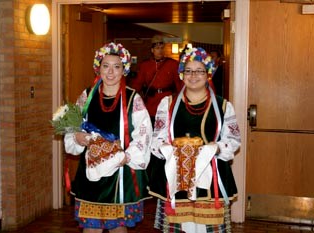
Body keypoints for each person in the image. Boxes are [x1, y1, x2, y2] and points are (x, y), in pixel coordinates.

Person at [149, 47, 241, 233]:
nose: (193, 75)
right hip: (177, 177)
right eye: (188, 70)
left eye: (199, 71)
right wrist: (169, 150)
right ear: (182, 74)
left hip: (212, 177)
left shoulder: (224, 106)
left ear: (208, 74)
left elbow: (233, 140)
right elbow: (156, 139)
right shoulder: (167, 104)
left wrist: (215, 148)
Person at [64, 42, 153, 233]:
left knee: (117, 229)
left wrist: (126, 156)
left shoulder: (132, 99)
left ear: (124, 70)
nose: (110, 72)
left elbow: (144, 134)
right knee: (91, 229)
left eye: (116, 66)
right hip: (92, 172)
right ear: (99, 68)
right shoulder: (87, 96)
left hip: (119, 173)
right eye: (106, 66)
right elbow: (72, 124)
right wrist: (77, 136)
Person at [130, 35, 183, 126]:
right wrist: (130, 97)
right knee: (150, 127)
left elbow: (179, 84)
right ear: (152, 50)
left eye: (162, 48)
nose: (160, 50)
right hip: (151, 103)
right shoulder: (145, 65)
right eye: (157, 48)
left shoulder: (172, 64)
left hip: (167, 101)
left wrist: (180, 100)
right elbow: (137, 84)